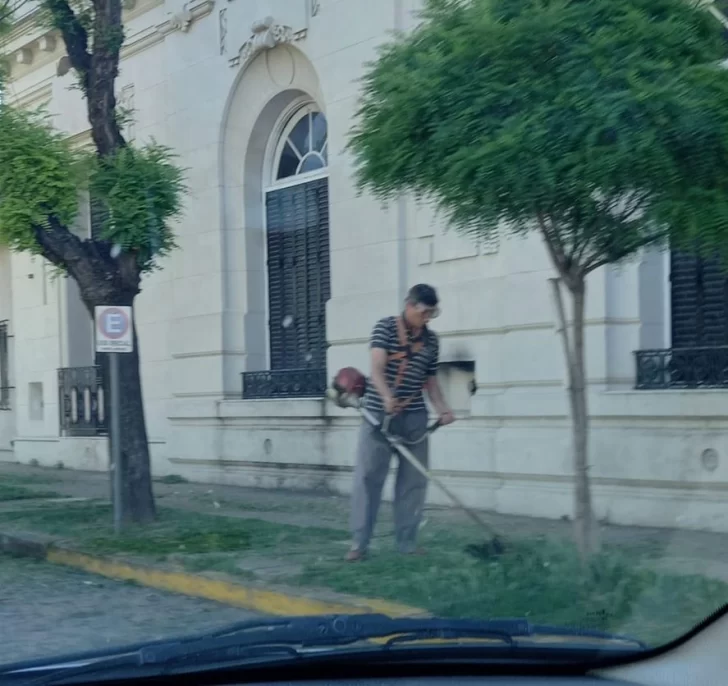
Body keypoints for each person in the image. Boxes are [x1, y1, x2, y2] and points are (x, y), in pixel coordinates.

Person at [346, 284, 455, 561]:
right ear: (409, 305)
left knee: (413, 482)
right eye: (424, 312)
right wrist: (386, 397)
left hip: (414, 415)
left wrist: (443, 409)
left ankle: (407, 542)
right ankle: (359, 544)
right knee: (369, 478)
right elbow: (377, 369)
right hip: (379, 413)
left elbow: (430, 382)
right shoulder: (384, 328)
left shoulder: (432, 341)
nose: (428, 318)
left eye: (433, 313)